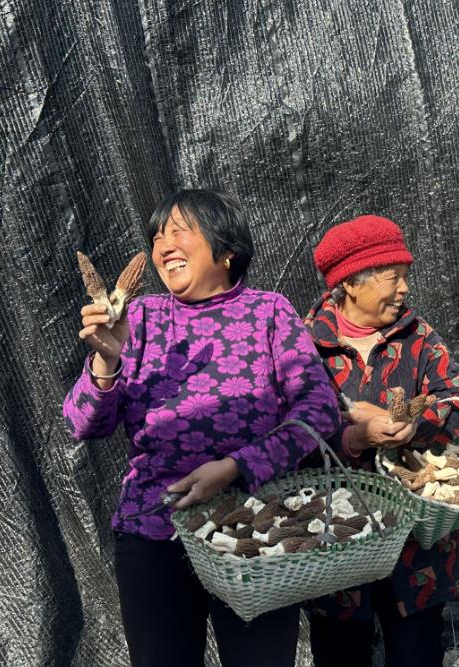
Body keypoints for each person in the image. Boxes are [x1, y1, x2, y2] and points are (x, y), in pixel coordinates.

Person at [62, 189, 341, 666]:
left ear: (226, 248)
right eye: (157, 237)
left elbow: (319, 410)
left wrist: (237, 466)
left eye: (179, 231)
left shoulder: (269, 312)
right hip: (155, 528)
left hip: (257, 530)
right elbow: (82, 424)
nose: (163, 245)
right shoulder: (138, 318)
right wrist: (106, 361)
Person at [303, 214, 459, 667]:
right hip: (336, 539)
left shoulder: (417, 338)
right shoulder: (305, 345)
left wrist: (417, 423)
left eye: (406, 275)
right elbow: (288, 429)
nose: (405, 288)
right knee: (341, 654)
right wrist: (351, 437)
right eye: (393, 277)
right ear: (350, 283)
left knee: (416, 652)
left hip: (416, 544)